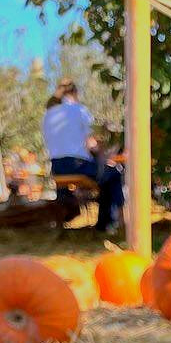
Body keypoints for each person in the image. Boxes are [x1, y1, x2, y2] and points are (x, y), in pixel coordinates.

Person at [42, 79, 124, 233]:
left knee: (99, 174)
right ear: (75, 93)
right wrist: (104, 154)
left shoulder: (48, 115)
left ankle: (66, 213)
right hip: (77, 165)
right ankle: (108, 224)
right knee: (113, 174)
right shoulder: (79, 110)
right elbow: (91, 143)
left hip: (56, 167)